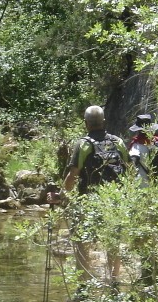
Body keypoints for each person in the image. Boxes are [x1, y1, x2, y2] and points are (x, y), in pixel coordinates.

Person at [50, 105, 129, 284]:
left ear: (86, 124)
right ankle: (114, 282)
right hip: (116, 200)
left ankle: (84, 284)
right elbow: (130, 169)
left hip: (89, 201)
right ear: (103, 122)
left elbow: (73, 175)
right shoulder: (118, 142)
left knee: (81, 241)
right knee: (113, 241)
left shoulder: (83, 144)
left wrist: (61, 196)